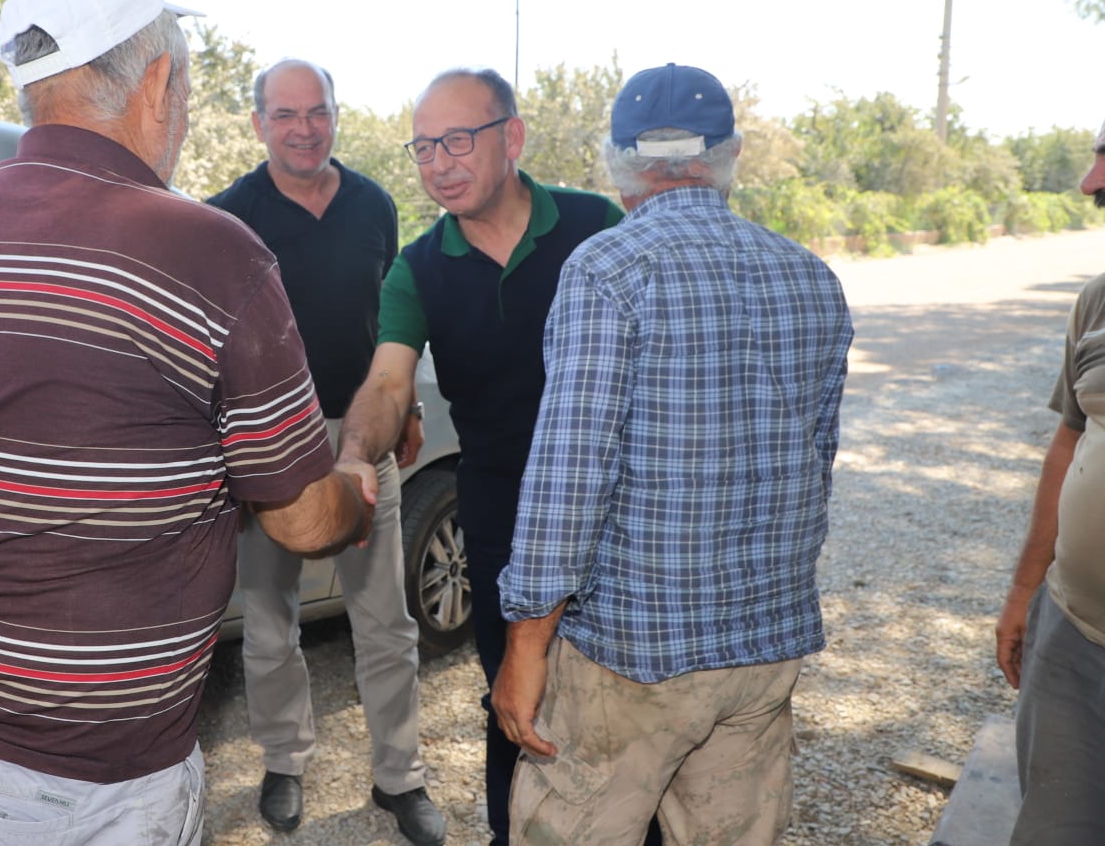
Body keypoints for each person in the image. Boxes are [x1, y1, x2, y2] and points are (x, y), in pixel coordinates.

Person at [0, 0, 372, 846]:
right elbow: (297, 521)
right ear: (160, 82)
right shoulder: (209, 251)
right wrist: (354, 498)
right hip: (68, 772)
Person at [492, 63, 854, 845]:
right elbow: (814, 463)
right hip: (762, 651)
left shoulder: (608, 269)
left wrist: (526, 644)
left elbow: (569, 475)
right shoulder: (811, 278)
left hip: (634, 658)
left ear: (621, 161)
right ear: (727, 155)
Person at [336, 67, 623, 846]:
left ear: (513, 137)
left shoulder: (599, 223)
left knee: (626, 694)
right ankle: (512, 833)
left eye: (458, 140)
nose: (439, 163)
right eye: (424, 147)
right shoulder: (419, 266)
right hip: (502, 508)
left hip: (620, 502)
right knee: (513, 693)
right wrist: (357, 452)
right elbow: (388, 381)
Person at [207, 60, 444, 845]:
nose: (304, 128)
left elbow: (393, 324)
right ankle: (283, 760)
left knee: (386, 623)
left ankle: (400, 778)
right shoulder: (229, 219)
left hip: (360, 441)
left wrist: (403, 403)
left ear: (336, 115)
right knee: (271, 623)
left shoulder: (375, 204)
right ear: (258, 124)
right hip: (269, 456)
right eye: (285, 114)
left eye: (317, 112)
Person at [996, 118, 1105, 846]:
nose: (1090, 184)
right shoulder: (1099, 298)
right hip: (1075, 637)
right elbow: (1070, 439)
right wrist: (1026, 589)